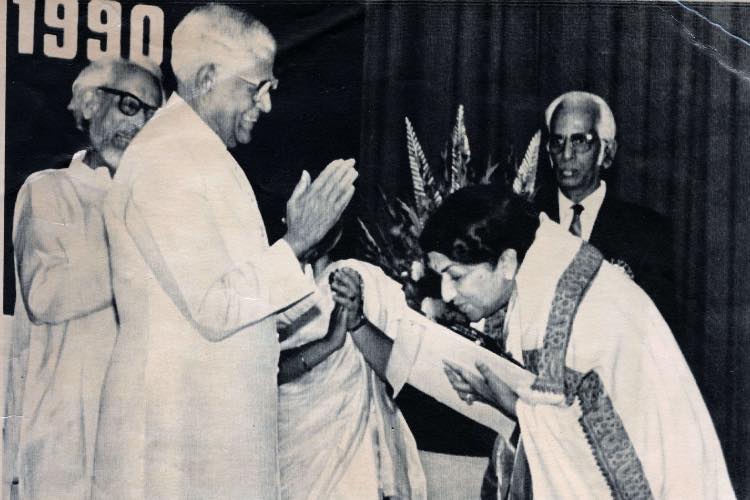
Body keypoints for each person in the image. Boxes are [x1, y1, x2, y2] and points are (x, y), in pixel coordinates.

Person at [92, 4, 357, 499]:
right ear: (208, 76)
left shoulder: (203, 153)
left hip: (206, 429)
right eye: (257, 87)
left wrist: (301, 248)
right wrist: (295, 242)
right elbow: (215, 308)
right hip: (174, 440)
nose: (267, 104)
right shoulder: (167, 158)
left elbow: (242, 308)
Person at [416, 186, 734, 499]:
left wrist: (504, 400)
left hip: (650, 470)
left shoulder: (552, 309)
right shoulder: (546, 260)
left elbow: (573, 435)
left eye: (456, 276)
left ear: (507, 262)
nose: (446, 293)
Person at [2, 58, 163, 500]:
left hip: (137, 435)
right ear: (91, 104)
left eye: (153, 117)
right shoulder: (49, 188)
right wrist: (147, 254)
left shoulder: (157, 203)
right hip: (64, 438)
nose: (139, 128)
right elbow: (46, 295)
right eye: (132, 107)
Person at [274, 227, 426, 500]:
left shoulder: (363, 278)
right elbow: (264, 373)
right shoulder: (264, 287)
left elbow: (401, 371)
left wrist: (357, 323)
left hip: (355, 455)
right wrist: (328, 344)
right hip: (293, 448)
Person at [536, 91, 676, 331]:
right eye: (557, 141)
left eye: (580, 141)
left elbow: (655, 327)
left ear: (607, 153)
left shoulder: (647, 232)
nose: (566, 155)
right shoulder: (528, 218)